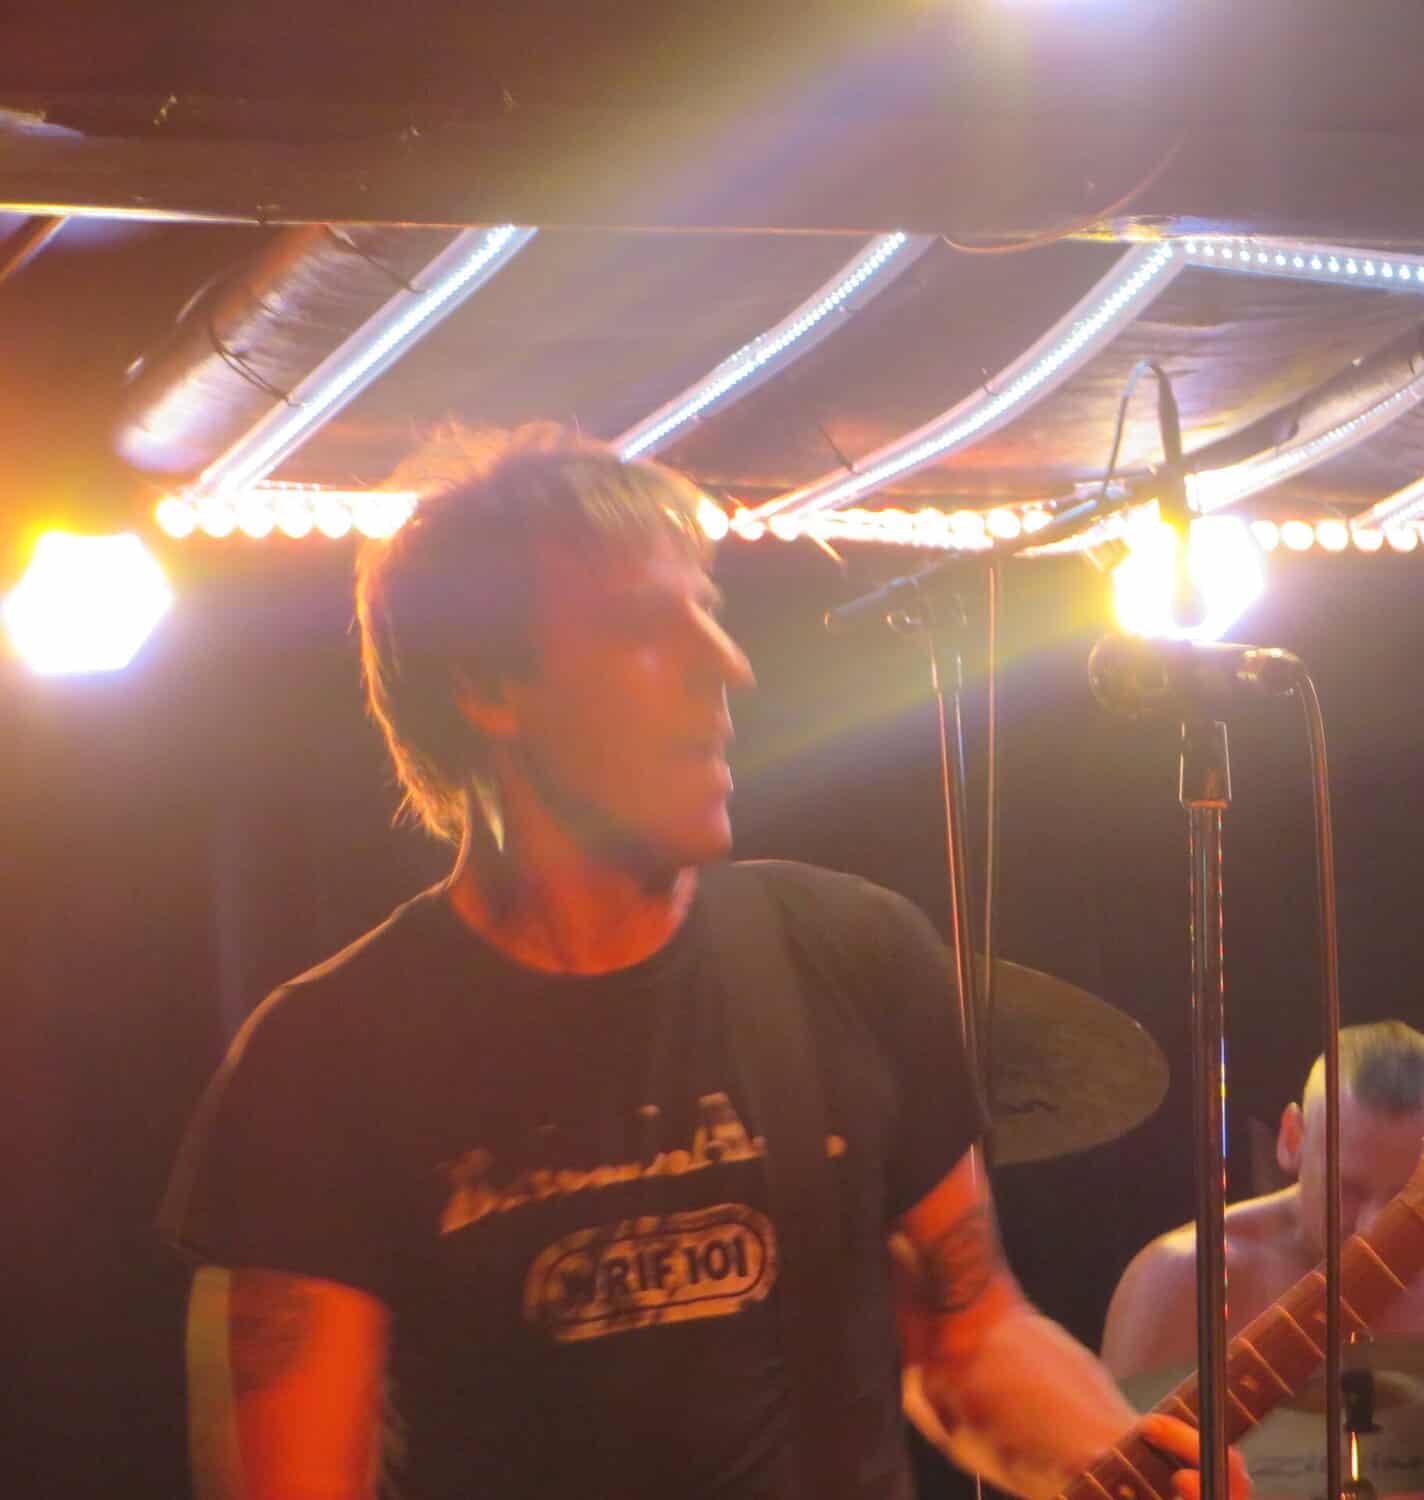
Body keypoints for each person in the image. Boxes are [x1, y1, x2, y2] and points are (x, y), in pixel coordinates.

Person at [159, 432, 1243, 1500]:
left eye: (710, 613)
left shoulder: (850, 955)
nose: (725, 663)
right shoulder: (323, 1061)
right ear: (488, 686)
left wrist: (1125, 1460)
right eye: (644, 625)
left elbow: (971, 1337)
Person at [1101, 1021, 1424, 1500]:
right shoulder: (1182, 1278)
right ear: (1292, 1139)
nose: (1372, 1229)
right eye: (1348, 1189)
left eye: (1408, 1195)